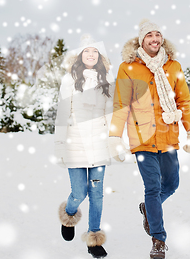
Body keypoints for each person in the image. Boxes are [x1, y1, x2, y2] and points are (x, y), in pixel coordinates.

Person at [108, 19, 190, 259]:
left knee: (171, 184)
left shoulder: (173, 66)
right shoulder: (127, 68)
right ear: (141, 40)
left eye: (158, 35)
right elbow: (120, 105)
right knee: (152, 187)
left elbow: (184, 102)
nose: (154, 39)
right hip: (142, 138)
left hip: (169, 137)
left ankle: (148, 209)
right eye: (149, 35)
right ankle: (158, 240)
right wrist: (115, 137)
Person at [54, 34, 122, 259]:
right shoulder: (69, 79)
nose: (91, 54)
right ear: (80, 56)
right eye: (87, 51)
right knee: (79, 191)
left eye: (95, 51)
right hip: (75, 143)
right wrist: (60, 144)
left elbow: (111, 113)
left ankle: (94, 238)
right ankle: (69, 213)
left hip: (99, 145)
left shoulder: (107, 80)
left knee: (97, 194)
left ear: (100, 56)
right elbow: (62, 114)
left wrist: (115, 139)